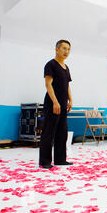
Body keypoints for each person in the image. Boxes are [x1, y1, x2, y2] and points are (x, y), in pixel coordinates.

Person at [39, 40, 74, 169]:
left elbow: (67, 85)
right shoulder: (50, 65)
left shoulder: (66, 67)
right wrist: (55, 102)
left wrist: (70, 100)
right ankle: (45, 161)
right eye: (64, 48)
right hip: (52, 103)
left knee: (62, 132)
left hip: (63, 104)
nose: (66, 51)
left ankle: (60, 159)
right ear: (57, 49)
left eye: (68, 49)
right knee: (49, 132)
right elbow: (48, 85)